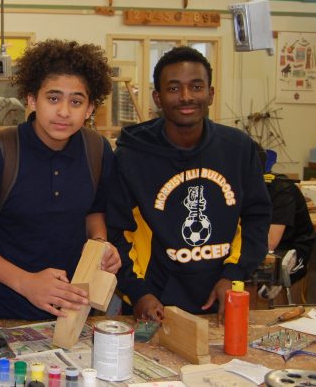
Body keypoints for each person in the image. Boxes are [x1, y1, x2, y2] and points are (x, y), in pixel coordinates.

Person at [0, 39, 121, 320]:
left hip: (74, 312)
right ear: (32, 99)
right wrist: (26, 282)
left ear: (90, 108)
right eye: (53, 98)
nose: (64, 111)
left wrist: (100, 244)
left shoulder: (97, 150)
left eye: (76, 101)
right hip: (1, 311)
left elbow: (95, 210)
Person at [106, 46, 271, 322]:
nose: (186, 97)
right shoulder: (131, 156)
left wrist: (233, 275)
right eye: (173, 89)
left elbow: (256, 218)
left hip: (220, 299)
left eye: (196, 86)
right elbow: (116, 232)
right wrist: (138, 292)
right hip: (153, 304)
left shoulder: (239, 149)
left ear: (211, 93)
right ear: (158, 97)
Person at [258, 145, 315, 288]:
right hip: (260, 243)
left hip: (288, 253)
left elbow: (270, 242)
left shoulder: (281, 190)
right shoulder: (244, 187)